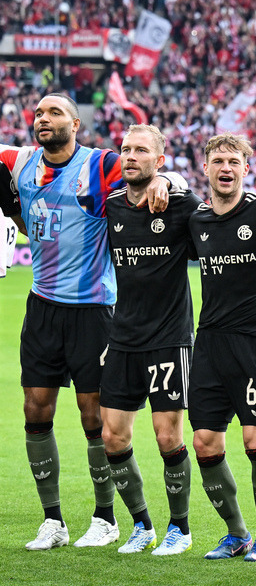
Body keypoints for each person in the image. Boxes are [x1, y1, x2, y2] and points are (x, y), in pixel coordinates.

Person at [0, 93, 171, 551]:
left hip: (94, 310)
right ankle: (52, 521)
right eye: (38, 113)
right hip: (42, 308)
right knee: (35, 410)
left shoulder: (100, 164)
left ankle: (105, 518)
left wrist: (163, 180)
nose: (44, 118)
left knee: (93, 416)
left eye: (55, 112)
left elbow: (145, 169)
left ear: (75, 124)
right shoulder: (19, 162)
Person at [188, 133, 256, 562]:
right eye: (218, 160)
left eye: (234, 161)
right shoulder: (196, 220)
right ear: (206, 168)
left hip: (254, 341)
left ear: (246, 169)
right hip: (209, 343)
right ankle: (236, 534)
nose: (226, 168)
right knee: (204, 442)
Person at [100, 125, 201, 555]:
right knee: (112, 437)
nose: (130, 156)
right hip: (123, 337)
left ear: (159, 160)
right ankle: (142, 525)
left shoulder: (180, 205)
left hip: (169, 338)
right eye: (125, 149)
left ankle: (181, 527)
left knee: (167, 436)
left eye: (141, 150)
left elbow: (219, 235)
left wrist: (172, 182)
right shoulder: (111, 206)